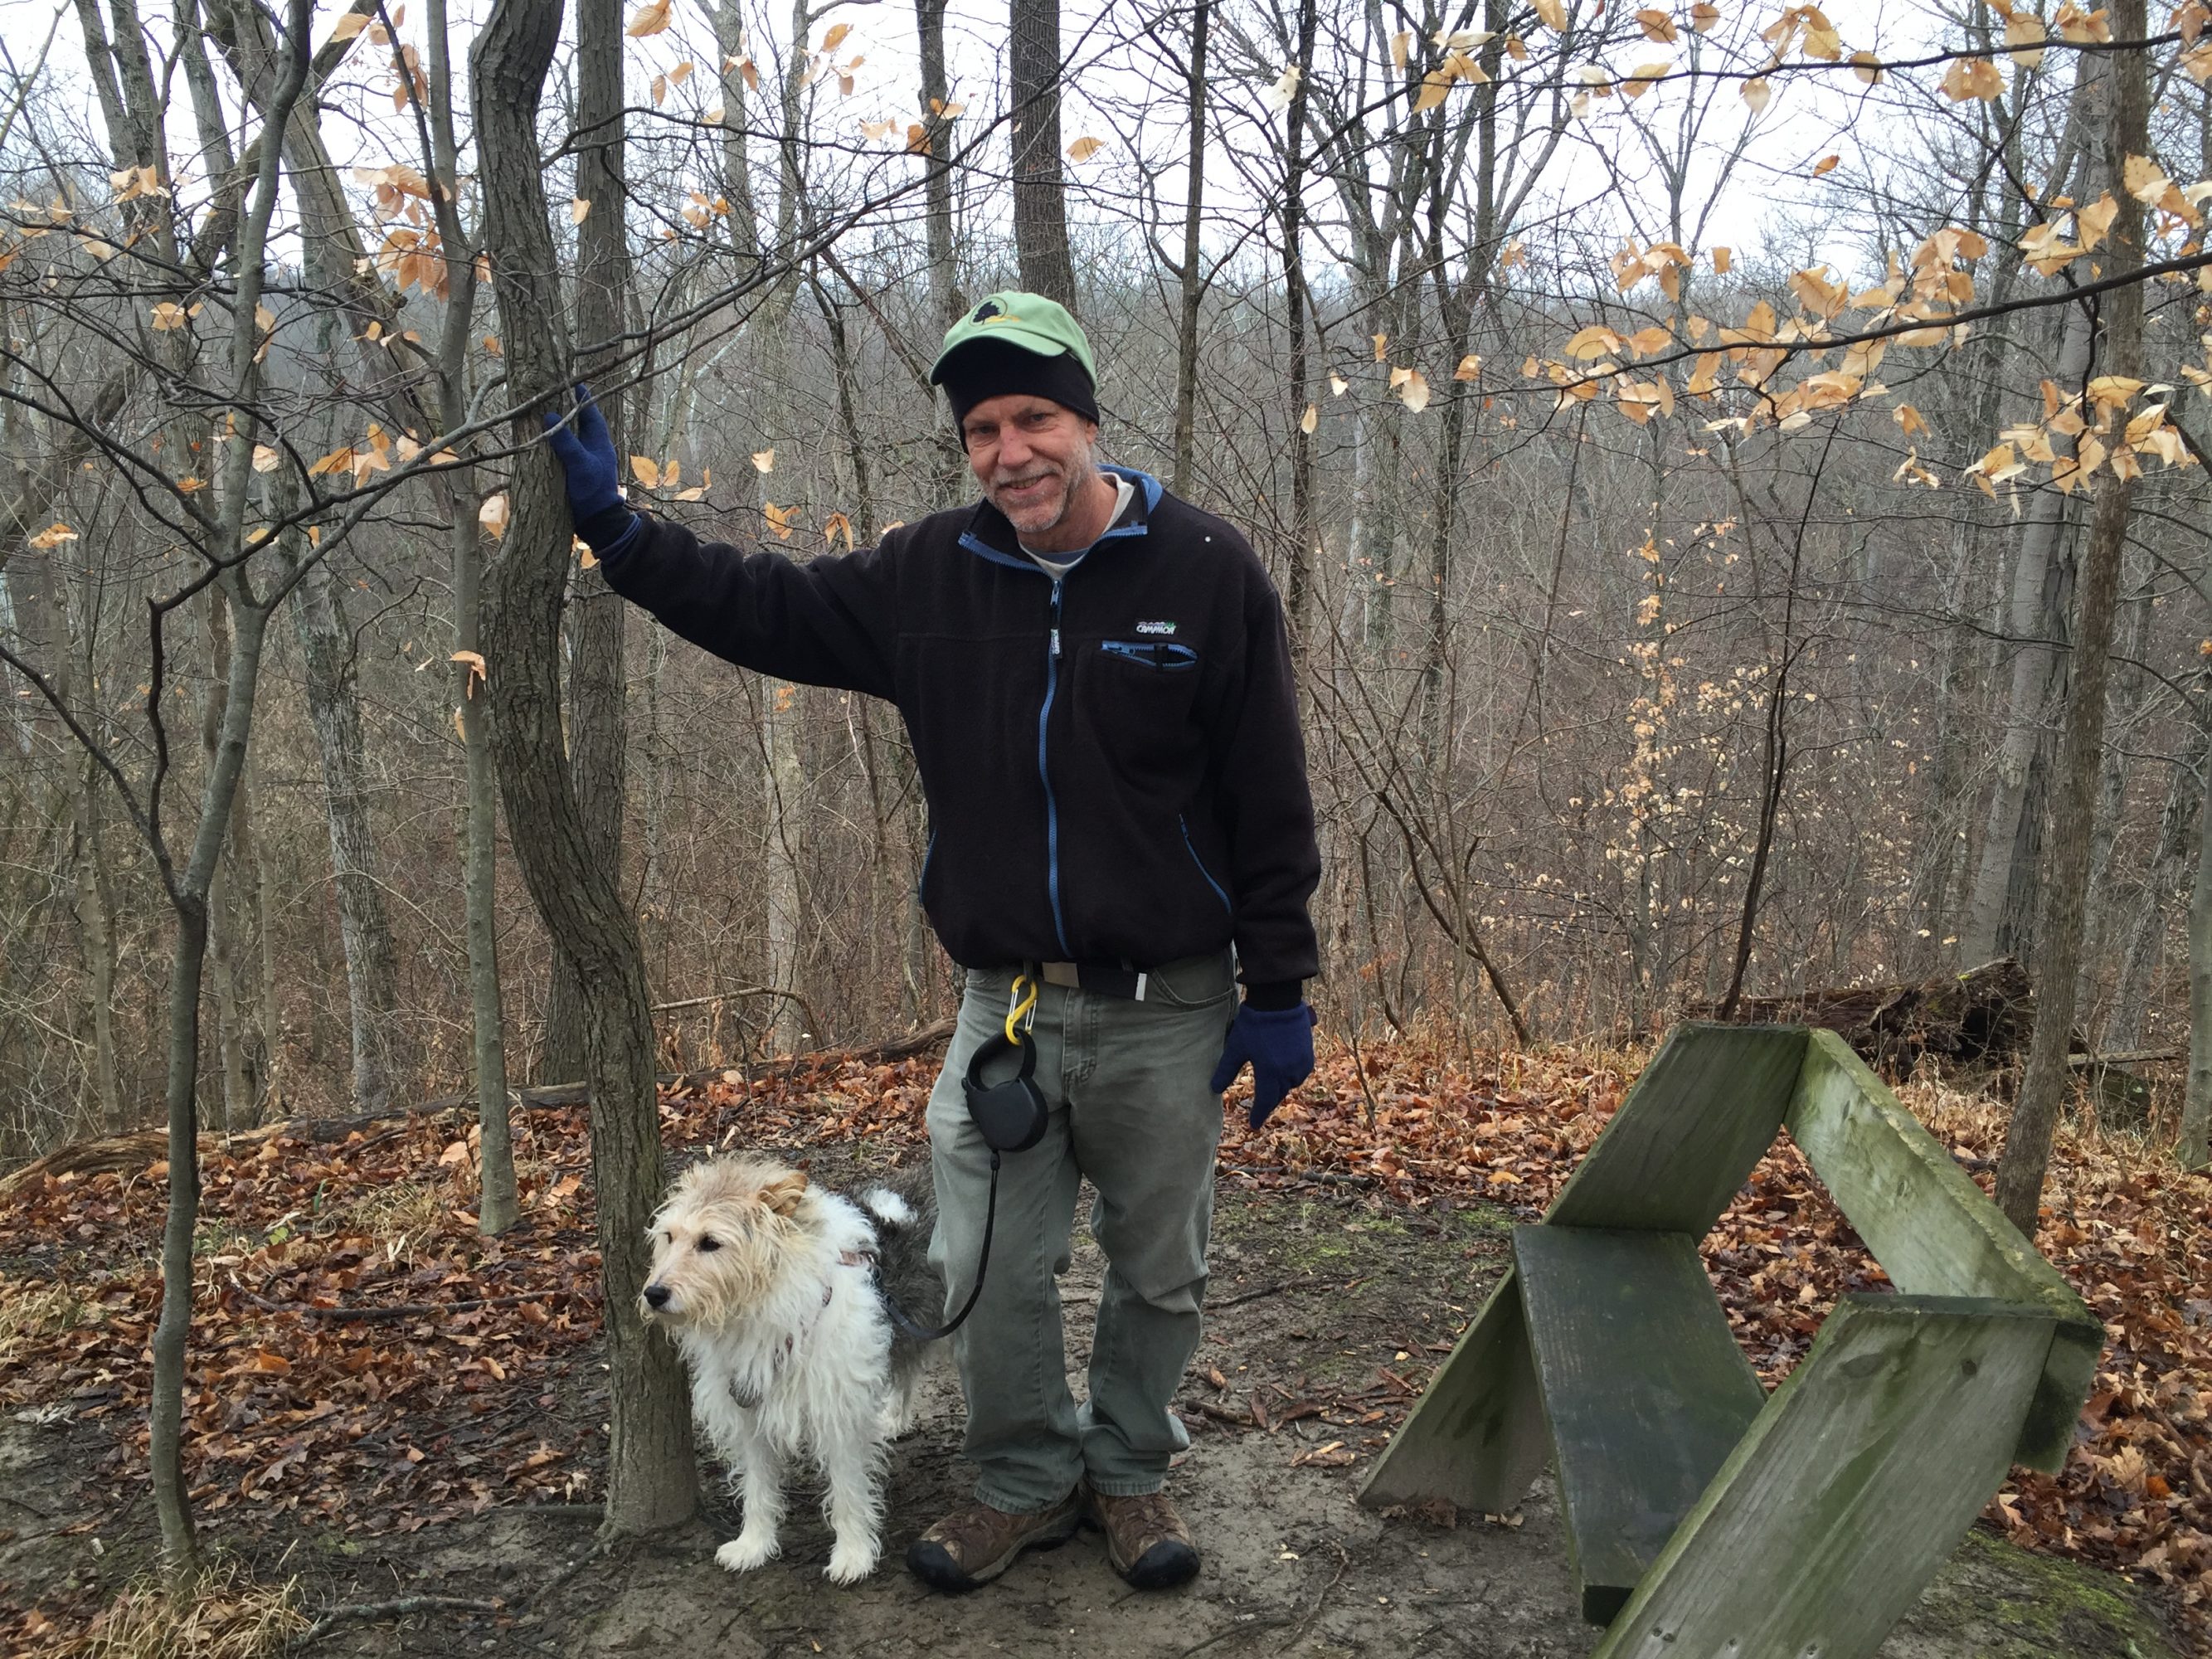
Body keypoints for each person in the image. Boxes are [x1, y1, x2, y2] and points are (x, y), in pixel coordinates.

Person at [545, 291, 1321, 1593]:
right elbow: (764, 605)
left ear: (1086, 421)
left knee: (1160, 1265)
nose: (1010, 453)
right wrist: (619, 533)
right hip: (1005, 1007)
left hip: (1168, 1003)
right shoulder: (931, 575)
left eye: (1033, 419)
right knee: (982, 1265)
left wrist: (1280, 984)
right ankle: (1021, 1481)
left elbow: (1269, 791)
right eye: (981, 431)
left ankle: (1129, 1472)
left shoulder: (1204, 568)